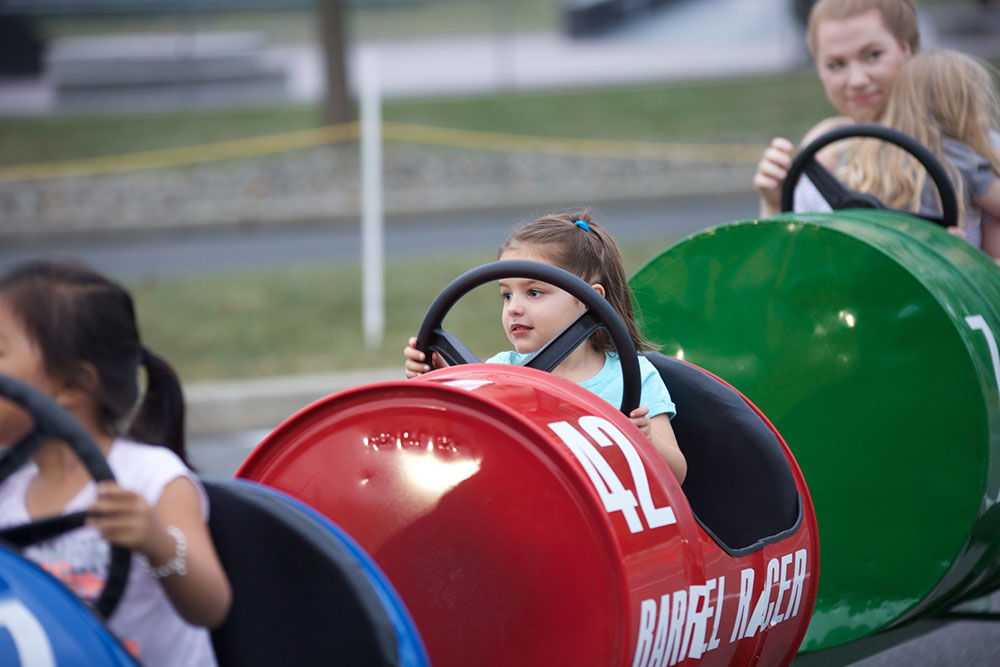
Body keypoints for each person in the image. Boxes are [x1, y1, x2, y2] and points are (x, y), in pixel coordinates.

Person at [0, 260, 231, 666]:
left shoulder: (152, 478)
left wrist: (156, 542)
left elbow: (211, 607)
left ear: (72, 385)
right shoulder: (10, 491)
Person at [403, 212, 687, 483]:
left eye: (534, 292)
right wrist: (436, 378)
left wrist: (645, 441)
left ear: (588, 300)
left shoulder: (632, 376)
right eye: (506, 295)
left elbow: (675, 476)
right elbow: (456, 437)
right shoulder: (498, 372)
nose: (514, 308)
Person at [754, 0, 920, 218]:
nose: (857, 80)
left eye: (873, 55)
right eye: (836, 64)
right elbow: (789, 250)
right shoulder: (820, 154)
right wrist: (775, 205)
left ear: (905, 49)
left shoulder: (952, 142)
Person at [844, 50, 1000, 248]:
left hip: (887, 260)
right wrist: (992, 153)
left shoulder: (866, 150)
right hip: (947, 267)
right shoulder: (962, 156)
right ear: (962, 111)